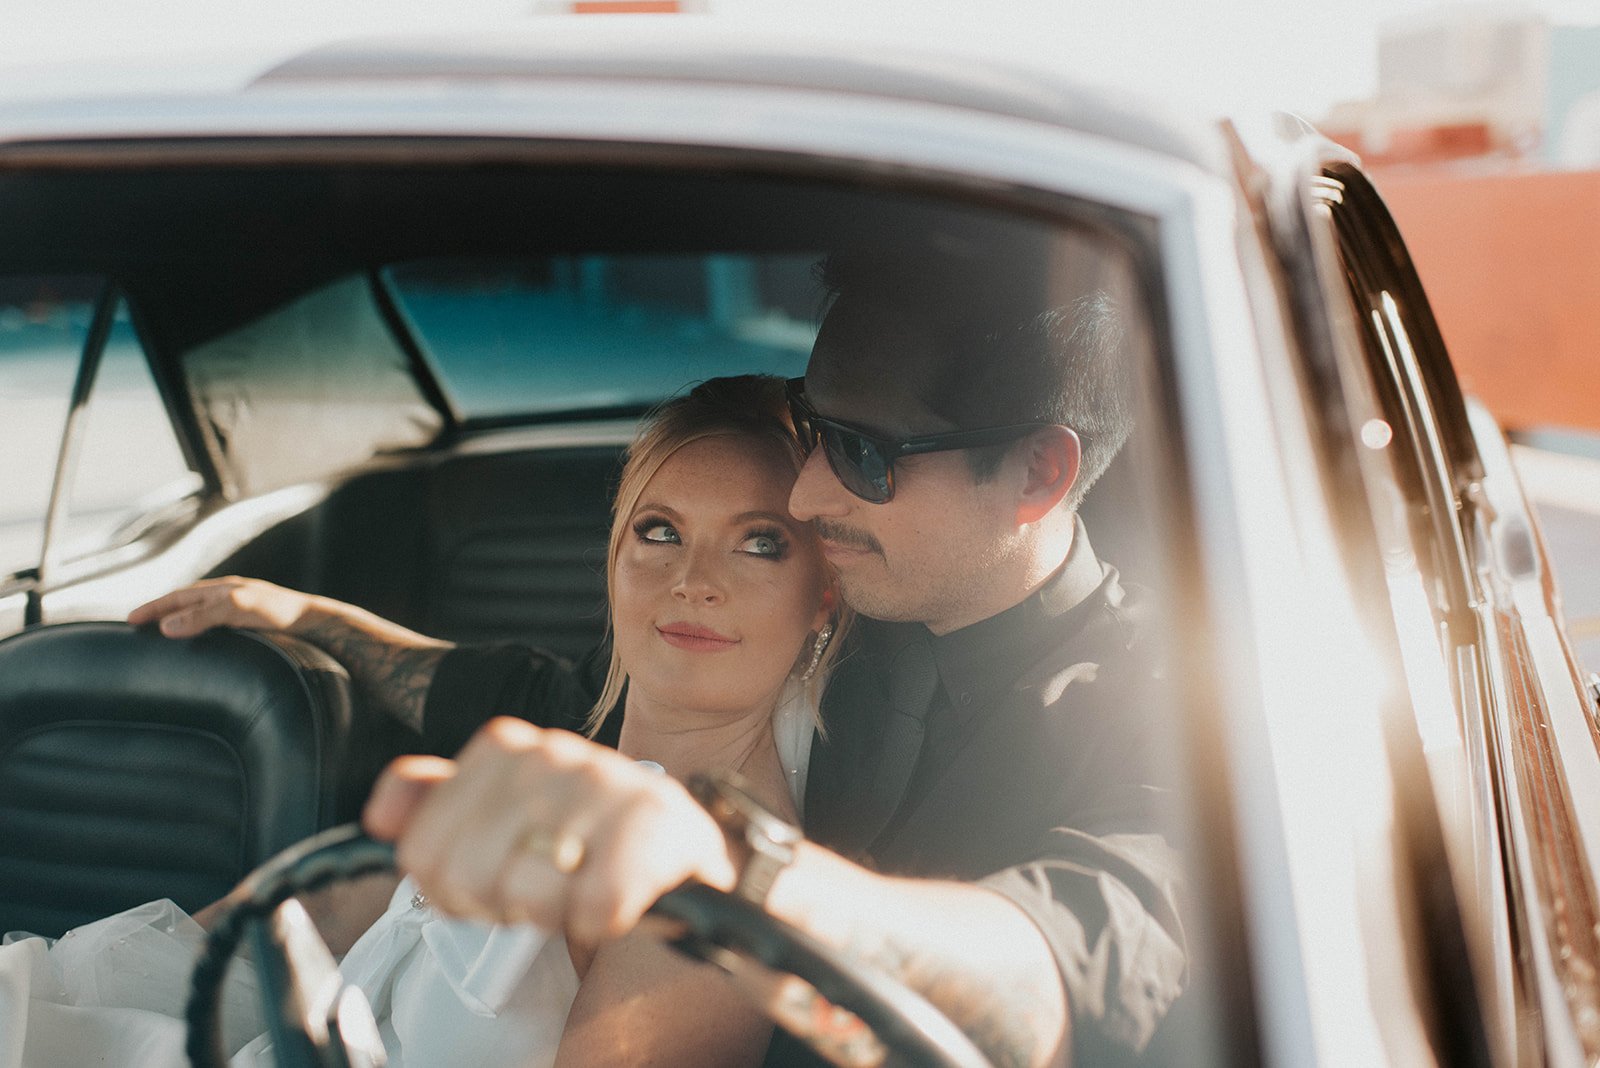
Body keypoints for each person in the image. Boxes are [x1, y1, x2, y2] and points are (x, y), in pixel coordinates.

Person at [138, 245, 1187, 1068]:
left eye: (864, 455)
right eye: (815, 428)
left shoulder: (1172, 720)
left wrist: (731, 872)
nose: (808, 493)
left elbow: (1063, 969)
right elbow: (545, 695)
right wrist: (309, 618)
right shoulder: (826, 610)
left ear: (1037, 475)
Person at [3, 375, 841, 1068]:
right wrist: (301, 616)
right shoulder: (547, 759)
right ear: (614, 557)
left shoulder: (715, 897)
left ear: (824, 598)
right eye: (660, 531)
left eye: (758, 543)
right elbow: (320, 914)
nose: (693, 580)